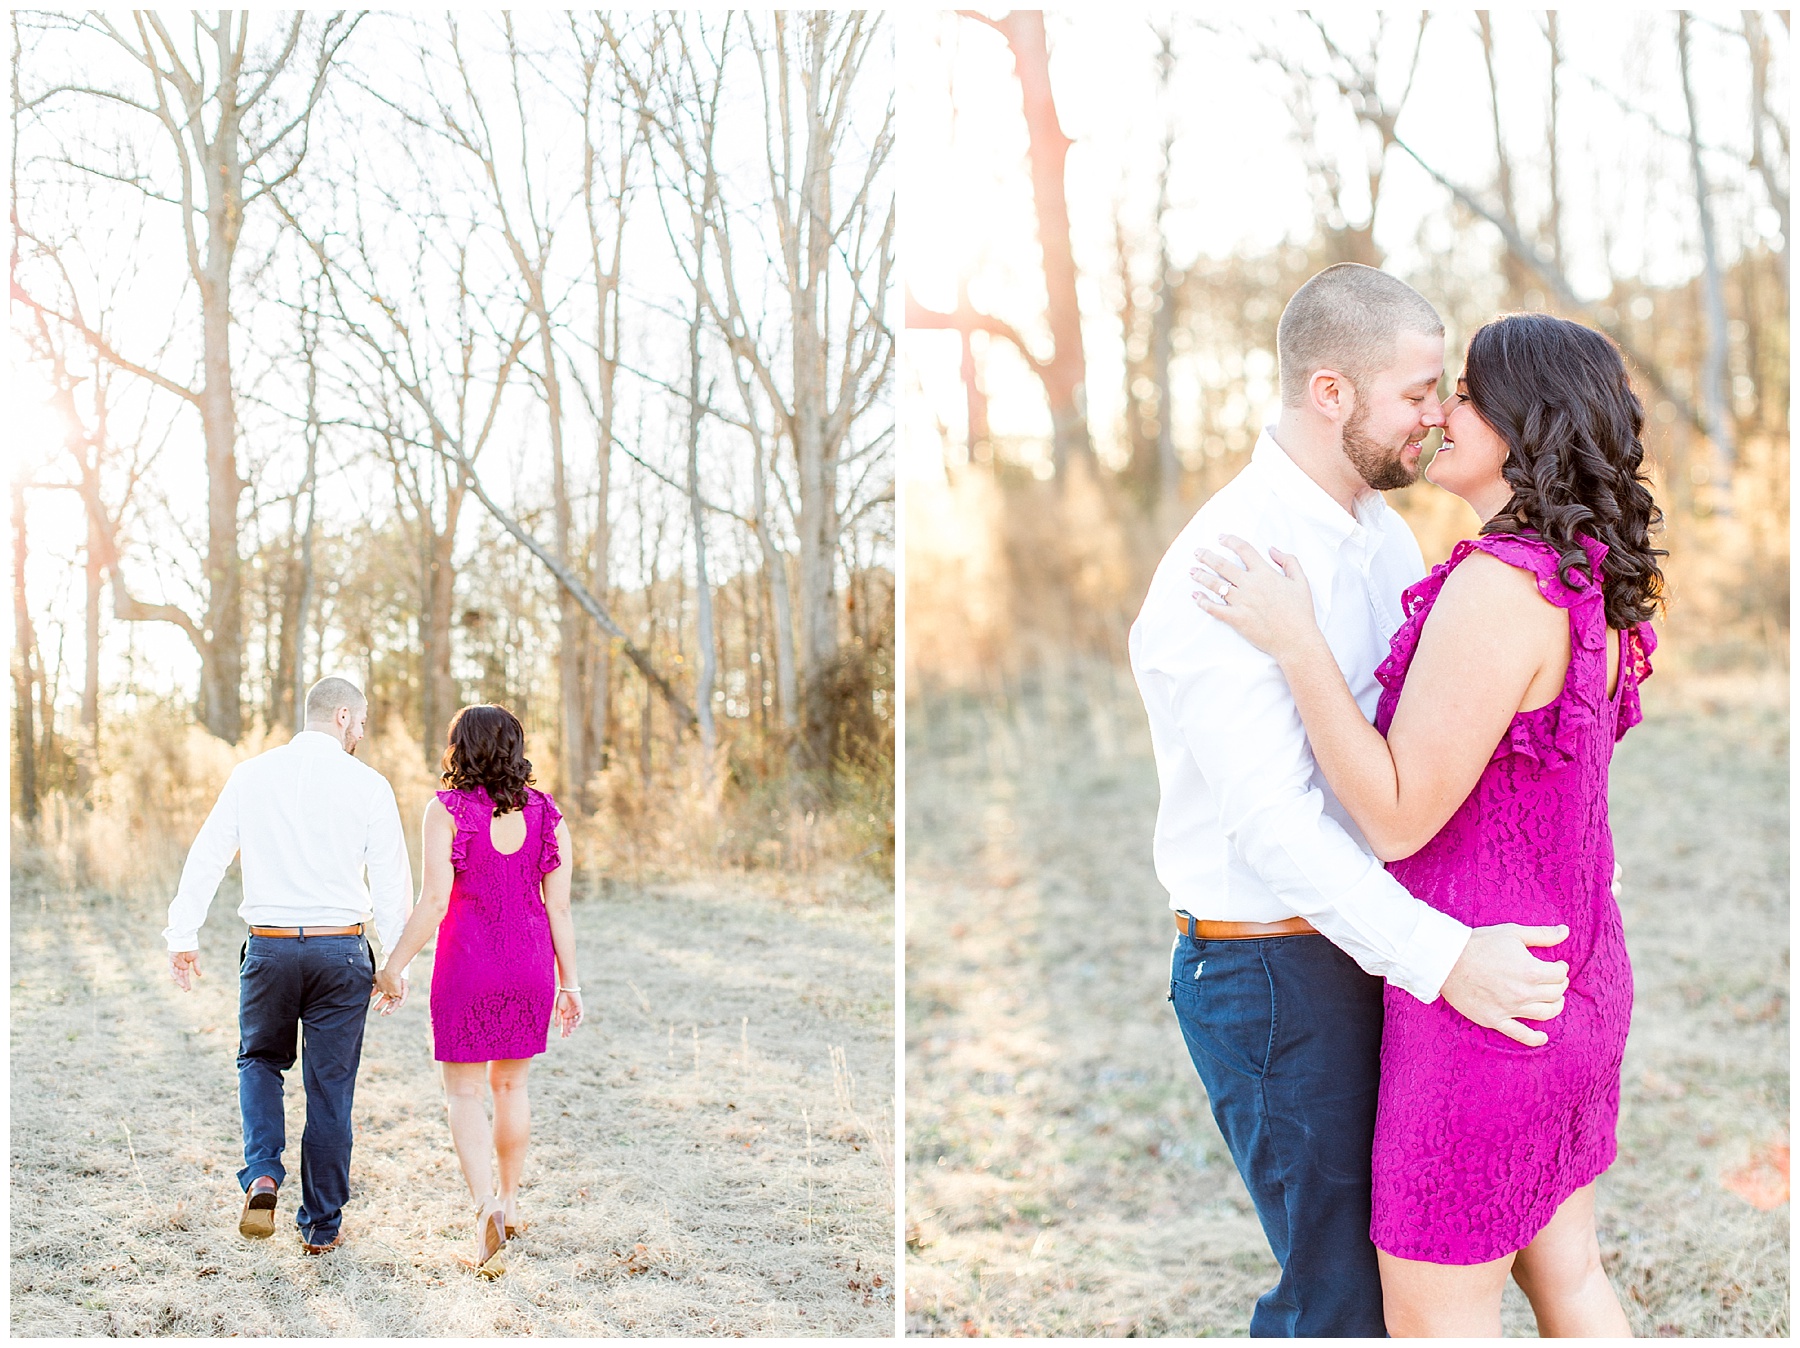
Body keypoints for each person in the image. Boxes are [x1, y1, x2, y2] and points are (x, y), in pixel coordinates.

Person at [1190, 312, 1659, 1337]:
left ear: (1519, 426)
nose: (1444, 411)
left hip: (1484, 1009)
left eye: (1465, 394)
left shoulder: (1500, 588)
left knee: (1438, 1320)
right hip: (1572, 972)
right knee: (1570, 1277)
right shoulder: (1587, 580)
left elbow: (1399, 816)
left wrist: (1297, 643)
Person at [1127, 265, 1574, 1337]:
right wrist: (1445, 958)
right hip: (1273, 969)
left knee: (1419, 1273)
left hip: (1376, 942)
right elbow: (1280, 832)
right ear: (1331, 393)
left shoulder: (1377, 529)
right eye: (1421, 392)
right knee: (1338, 1302)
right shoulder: (1225, 567)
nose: (1442, 416)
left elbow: (1413, 752)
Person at [164, 675, 413, 1254]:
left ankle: (262, 1175)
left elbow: (208, 854)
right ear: (345, 716)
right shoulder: (370, 785)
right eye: (365, 717)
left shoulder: (251, 775)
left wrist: (184, 933)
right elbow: (393, 884)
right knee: (330, 1090)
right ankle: (322, 1225)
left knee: (259, 1061)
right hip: (340, 950)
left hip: (270, 947)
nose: (364, 729)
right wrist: (397, 963)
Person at [374, 703, 582, 1276]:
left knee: (463, 1095)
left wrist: (393, 965)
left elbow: (435, 903)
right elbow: (559, 908)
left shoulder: (445, 811)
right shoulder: (549, 815)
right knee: (511, 1086)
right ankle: (511, 1203)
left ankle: (484, 1204)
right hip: (530, 966)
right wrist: (572, 984)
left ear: (458, 748)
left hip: (467, 967)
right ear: (515, 748)